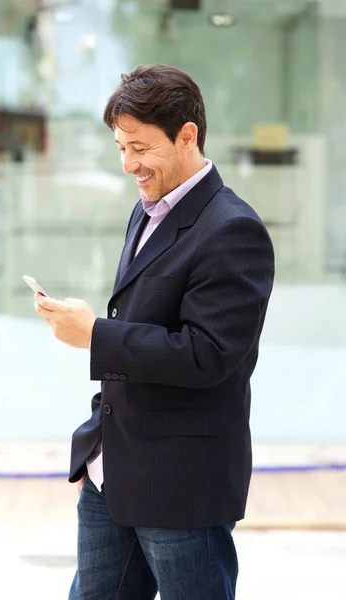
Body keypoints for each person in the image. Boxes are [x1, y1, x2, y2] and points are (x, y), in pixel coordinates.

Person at [34, 64, 275, 600]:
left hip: (181, 482)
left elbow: (207, 355)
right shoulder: (147, 211)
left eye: (139, 148)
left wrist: (95, 334)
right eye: (120, 147)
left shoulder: (233, 229)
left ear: (187, 135)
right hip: (111, 466)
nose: (127, 165)